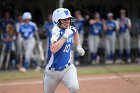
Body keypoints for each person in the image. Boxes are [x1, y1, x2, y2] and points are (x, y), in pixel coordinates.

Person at [43, 8, 85, 93]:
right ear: (57, 21)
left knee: (74, 87)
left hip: (67, 68)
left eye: (68, 18)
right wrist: (65, 36)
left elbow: (75, 32)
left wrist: (79, 46)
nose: (68, 21)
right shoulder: (54, 31)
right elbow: (53, 49)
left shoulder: (70, 28)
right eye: (64, 19)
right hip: (52, 72)